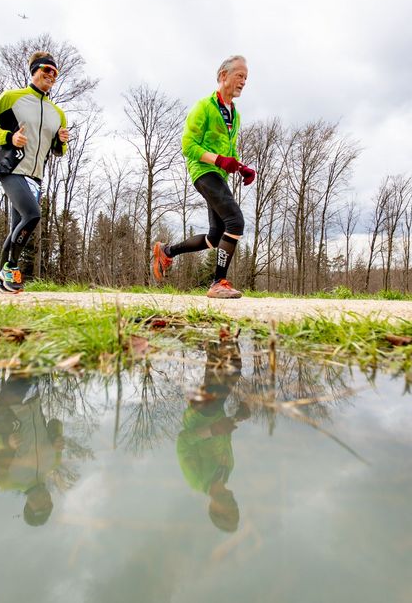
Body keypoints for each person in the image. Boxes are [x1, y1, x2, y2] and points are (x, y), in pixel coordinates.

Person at [153, 55, 255, 298]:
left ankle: (167, 251)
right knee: (236, 221)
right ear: (223, 76)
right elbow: (188, 145)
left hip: (219, 175)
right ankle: (218, 282)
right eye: (239, 75)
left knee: (215, 236)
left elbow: (229, 152)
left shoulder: (235, 114)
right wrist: (219, 161)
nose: (243, 81)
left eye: (246, 78)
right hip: (203, 172)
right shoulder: (204, 107)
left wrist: (241, 167)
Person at [0, 51, 69, 292]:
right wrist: (10, 137)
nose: (51, 75)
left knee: (18, 227)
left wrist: (60, 141)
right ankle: (11, 266)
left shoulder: (57, 113)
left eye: (55, 72)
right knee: (33, 215)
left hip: (36, 175)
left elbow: (59, 150)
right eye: (46, 70)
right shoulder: (11, 98)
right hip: (11, 168)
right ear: (34, 71)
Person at [176, 341, 250, 532]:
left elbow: (183, 441)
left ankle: (214, 338)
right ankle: (217, 336)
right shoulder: (228, 469)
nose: (233, 506)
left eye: (227, 512)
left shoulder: (197, 480)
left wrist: (212, 430)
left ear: (213, 509)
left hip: (199, 414)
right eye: (236, 509)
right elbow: (223, 433)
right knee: (228, 372)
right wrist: (238, 416)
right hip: (216, 411)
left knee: (228, 374)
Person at [0, 376, 65, 526]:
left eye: (39, 508)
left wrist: (6, 442)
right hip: (33, 399)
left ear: (28, 507)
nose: (44, 502)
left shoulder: (5, 481)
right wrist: (56, 437)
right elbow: (54, 423)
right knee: (30, 366)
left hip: (8, 407)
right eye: (48, 505)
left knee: (28, 368)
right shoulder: (53, 462)